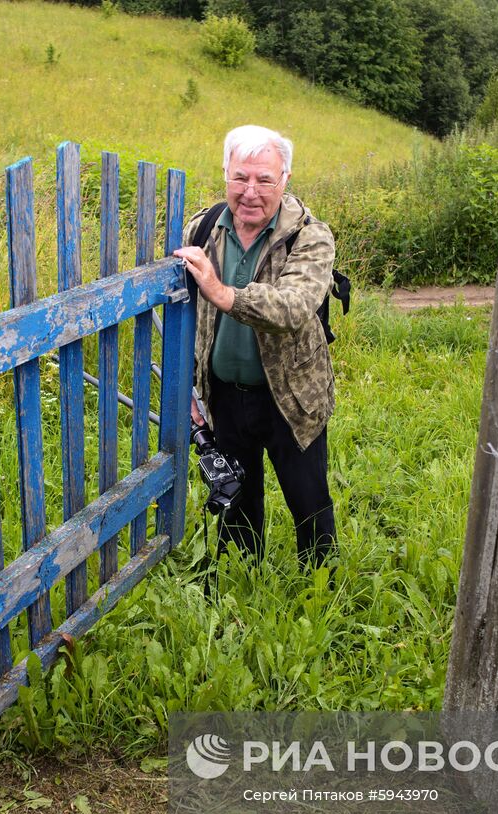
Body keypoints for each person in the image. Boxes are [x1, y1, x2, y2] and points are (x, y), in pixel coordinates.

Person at [172, 124, 338, 566]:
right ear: (225, 173)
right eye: (240, 177)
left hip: (291, 395)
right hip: (225, 393)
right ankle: (245, 581)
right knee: (237, 501)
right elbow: (185, 313)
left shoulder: (310, 236)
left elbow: (295, 306)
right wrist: (187, 384)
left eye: (265, 179)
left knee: (309, 502)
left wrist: (223, 292)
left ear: (285, 180)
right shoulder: (202, 228)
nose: (250, 191)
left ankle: (322, 587)